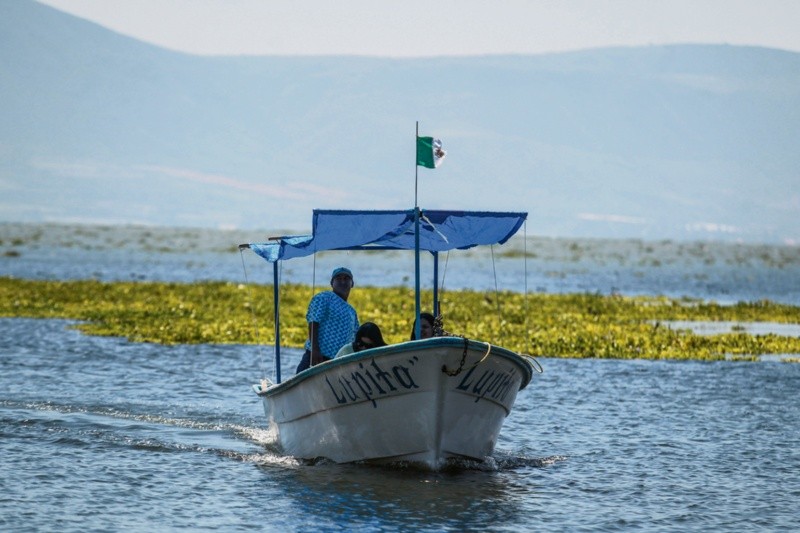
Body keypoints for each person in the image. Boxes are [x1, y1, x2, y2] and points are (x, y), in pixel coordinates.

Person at [295, 267, 359, 373]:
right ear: (332, 283)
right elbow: (313, 322)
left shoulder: (352, 311)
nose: (342, 281)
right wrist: (315, 350)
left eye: (346, 278)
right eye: (338, 278)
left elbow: (355, 338)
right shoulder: (324, 297)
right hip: (316, 357)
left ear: (352, 284)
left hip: (336, 362)